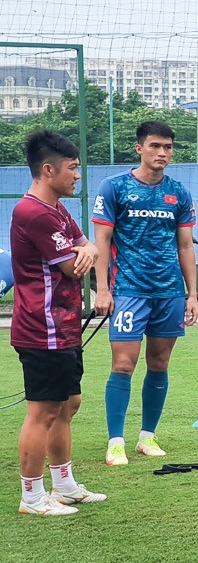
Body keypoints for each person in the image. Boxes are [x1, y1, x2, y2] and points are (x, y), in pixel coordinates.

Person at [91, 121, 198, 465]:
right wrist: (103, 289)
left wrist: (192, 294)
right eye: (155, 146)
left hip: (169, 292)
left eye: (168, 147)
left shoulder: (179, 192)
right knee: (123, 364)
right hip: (128, 291)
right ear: (139, 148)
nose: (162, 153)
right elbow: (102, 241)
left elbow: (185, 246)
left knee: (159, 363)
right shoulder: (114, 187)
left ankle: (147, 437)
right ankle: (116, 442)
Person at [11, 131, 106, 515]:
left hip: (64, 326)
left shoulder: (57, 209)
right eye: (73, 168)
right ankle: (32, 497)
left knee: (68, 404)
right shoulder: (33, 212)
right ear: (48, 170)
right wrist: (86, 252)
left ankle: (64, 485)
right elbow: (72, 266)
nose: (78, 176)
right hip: (42, 328)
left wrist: (90, 249)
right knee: (44, 411)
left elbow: (88, 246)